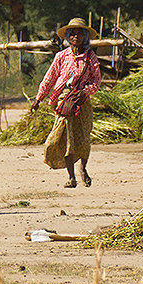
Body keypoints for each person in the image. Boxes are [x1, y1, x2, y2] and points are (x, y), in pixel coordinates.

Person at [30, 17, 102, 188]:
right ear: (68, 37)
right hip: (64, 102)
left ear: (85, 36)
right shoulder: (61, 56)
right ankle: (71, 177)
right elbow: (49, 78)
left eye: (79, 33)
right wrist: (38, 98)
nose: (75, 36)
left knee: (83, 138)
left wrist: (85, 92)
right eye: (72, 34)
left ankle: (82, 169)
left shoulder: (90, 57)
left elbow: (96, 80)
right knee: (65, 138)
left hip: (82, 102)